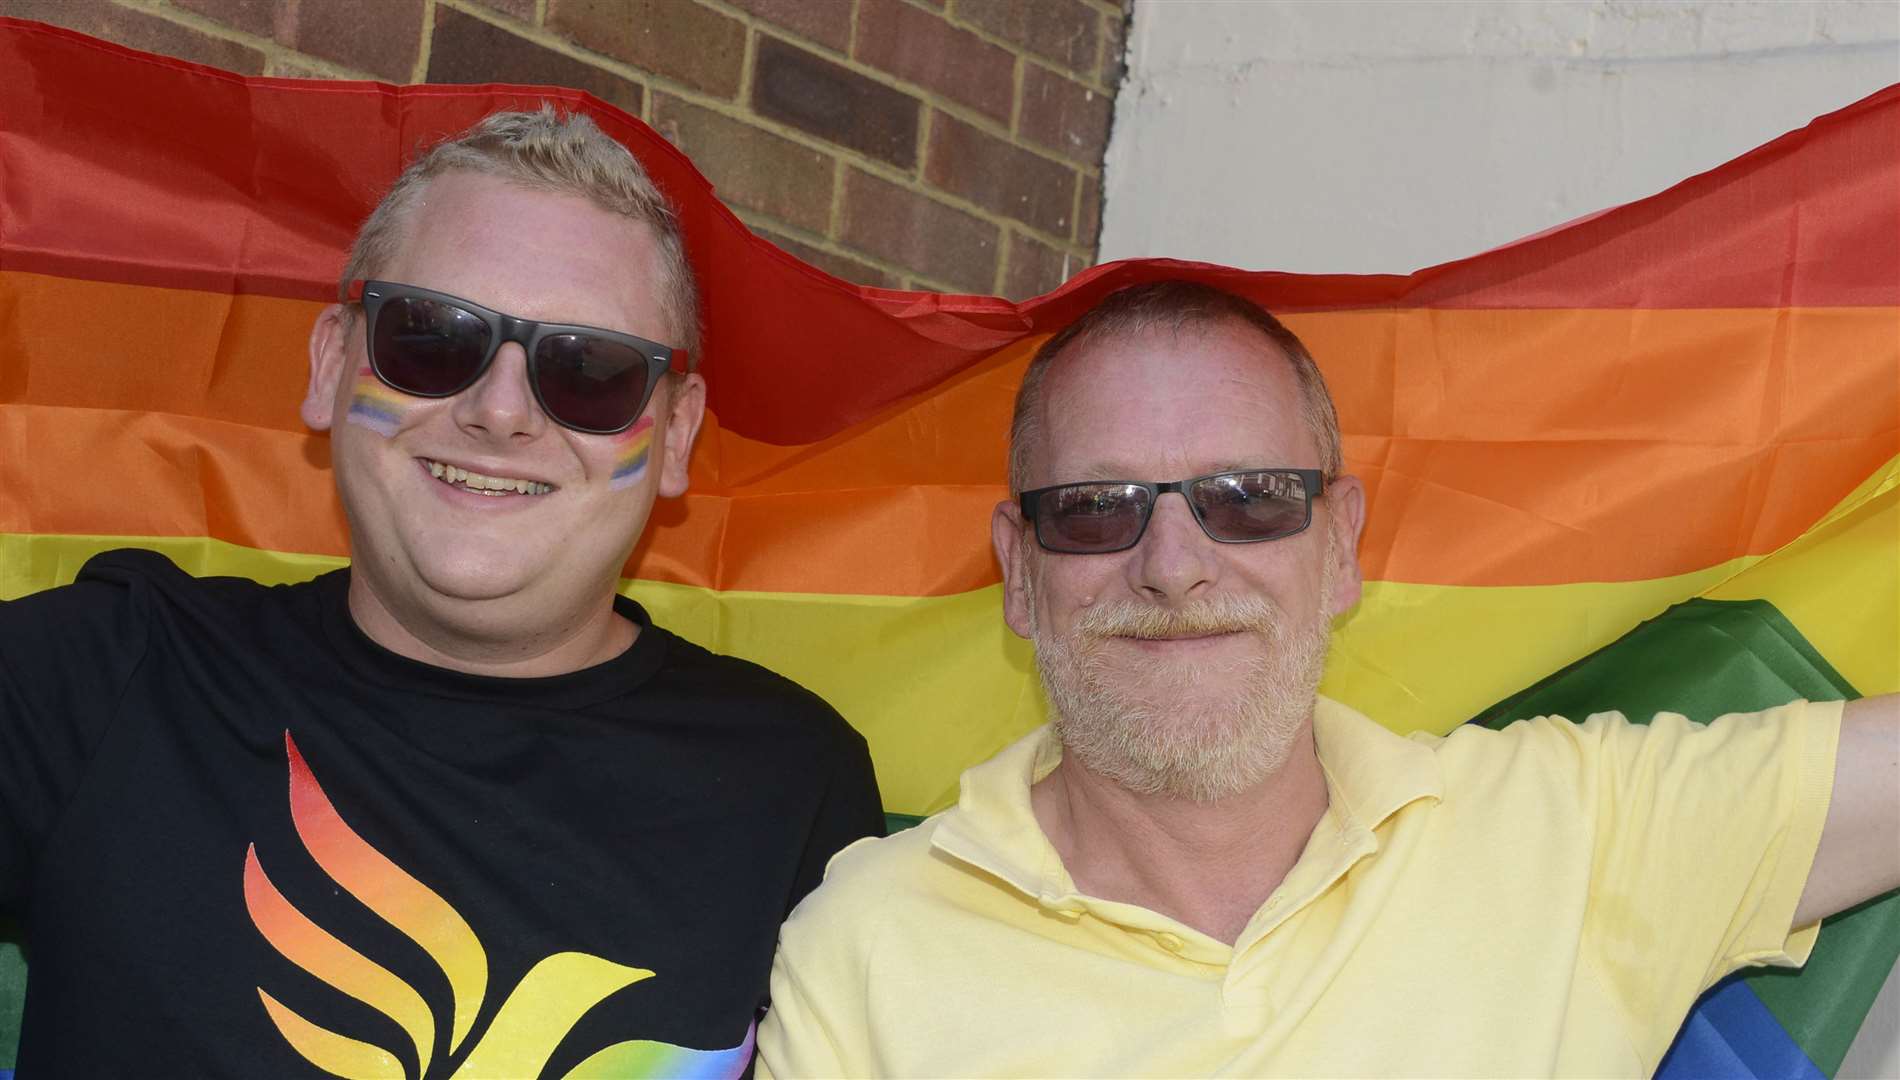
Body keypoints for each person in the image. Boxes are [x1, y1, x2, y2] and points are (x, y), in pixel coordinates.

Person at [755, 280, 1898, 1077]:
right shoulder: (867, 942)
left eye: (1247, 498)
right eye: (1095, 510)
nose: (1171, 567)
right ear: (1017, 571)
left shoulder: (1576, 831)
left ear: (1340, 545)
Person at [0, 108, 883, 1077]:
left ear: (675, 436)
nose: (499, 411)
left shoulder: (793, 783)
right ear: (332, 363)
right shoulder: (102, 676)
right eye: (432, 338)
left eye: (589, 371)